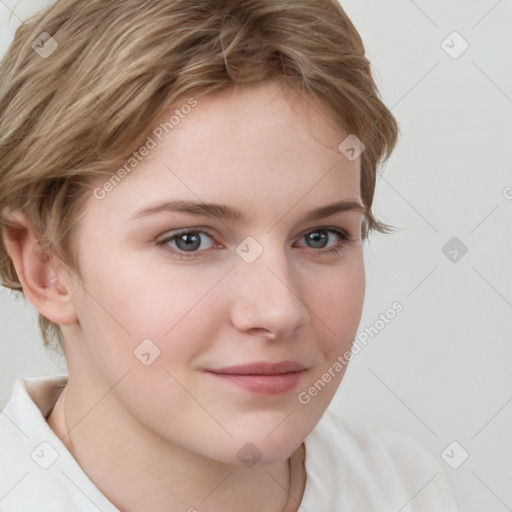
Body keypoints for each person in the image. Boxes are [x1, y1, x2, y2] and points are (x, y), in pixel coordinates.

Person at [0, 0, 458, 510]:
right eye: (189, 240)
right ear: (46, 268)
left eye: (321, 236)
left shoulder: (401, 485)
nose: (279, 312)